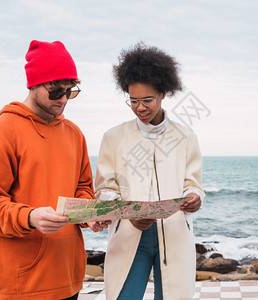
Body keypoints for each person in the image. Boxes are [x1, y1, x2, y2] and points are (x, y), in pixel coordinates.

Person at [0, 40, 108, 300]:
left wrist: (87, 215)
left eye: (71, 91)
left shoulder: (74, 134)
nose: (64, 99)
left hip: (68, 276)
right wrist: (30, 217)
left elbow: (82, 189)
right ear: (34, 84)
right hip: (18, 283)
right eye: (57, 91)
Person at [94, 43, 205, 300]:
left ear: (164, 93)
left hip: (176, 233)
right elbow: (105, 191)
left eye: (147, 100)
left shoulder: (185, 136)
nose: (140, 108)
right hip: (130, 233)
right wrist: (130, 214)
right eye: (133, 101)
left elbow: (193, 183)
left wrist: (194, 197)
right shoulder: (113, 138)